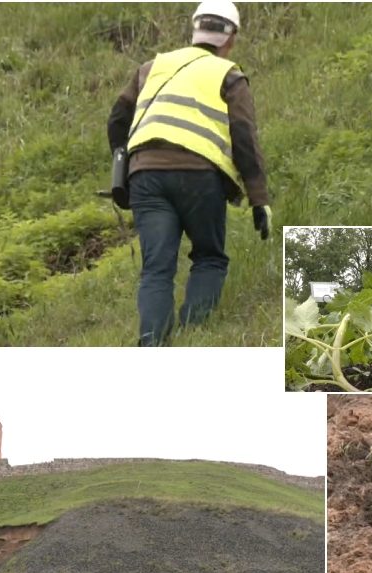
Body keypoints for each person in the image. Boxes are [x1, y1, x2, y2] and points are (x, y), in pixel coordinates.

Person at [107, 0, 271, 346]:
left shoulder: (153, 66)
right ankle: (194, 336)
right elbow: (244, 138)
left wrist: (123, 164)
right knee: (209, 257)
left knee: (156, 268)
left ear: (194, 28)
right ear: (231, 38)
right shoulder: (229, 75)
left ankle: (153, 344)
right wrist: (259, 201)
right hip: (200, 177)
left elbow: (117, 120)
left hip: (146, 177)